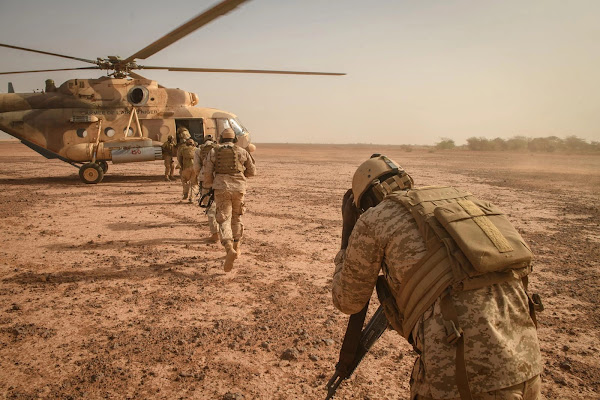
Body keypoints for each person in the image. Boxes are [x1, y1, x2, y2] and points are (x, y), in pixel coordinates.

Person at [332, 154, 542, 400]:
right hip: (527, 366)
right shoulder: (460, 201)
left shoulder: (375, 219)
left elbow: (347, 300)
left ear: (365, 201)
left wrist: (348, 232)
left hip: (462, 379)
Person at [203, 128, 256, 272]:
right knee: (236, 218)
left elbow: (207, 173)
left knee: (223, 219)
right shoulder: (242, 151)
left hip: (221, 188)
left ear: (221, 138)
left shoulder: (213, 151)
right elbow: (252, 171)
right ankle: (237, 247)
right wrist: (241, 175)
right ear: (234, 139)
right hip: (239, 188)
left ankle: (228, 248)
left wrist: (209, 186)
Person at [195, 134, 219, 242]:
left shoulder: (198, 150)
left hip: (205, 180)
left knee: (210, 207)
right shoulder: (219, 149)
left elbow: (196, 166)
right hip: (220, 180)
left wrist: (200, 177)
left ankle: (215, 234)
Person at [177, 138, 197, 202]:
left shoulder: (182, 150)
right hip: (194, 168)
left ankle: (185, 194)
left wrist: (182, 167)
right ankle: (192, 197)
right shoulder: (196, 150)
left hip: (186, 168)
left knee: (184, 181)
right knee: (194, 183)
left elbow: (179, 159)